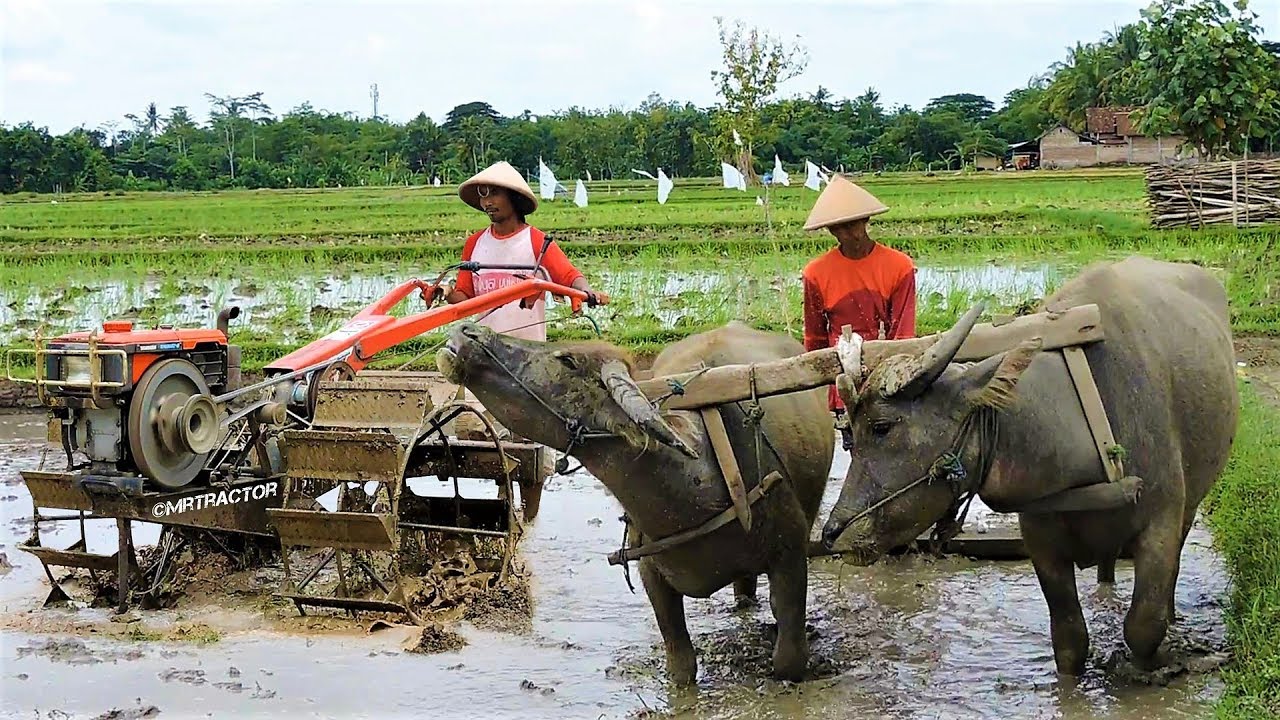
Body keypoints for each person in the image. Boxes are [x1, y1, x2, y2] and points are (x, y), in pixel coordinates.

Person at [801, 175, 917, 449]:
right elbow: (815, 337)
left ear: (866, 221)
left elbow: (902, 332)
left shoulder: (899, 267)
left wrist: (896, 379)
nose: (849, 234)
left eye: (853, 225)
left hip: (886, 370)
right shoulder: (816, 274)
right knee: (858, 451)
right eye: (839, 228)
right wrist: (821, 387)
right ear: (831, 231)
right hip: (841, 372)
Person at [441, 160, 602, 342]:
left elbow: (569, 277)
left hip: (528, 350)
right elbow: (465, 299)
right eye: (483, 195)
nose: (488, 202)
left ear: (513, 197)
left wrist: (587, 291)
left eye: (494, 193)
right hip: (488, 352)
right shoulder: (474, 244)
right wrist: (447, 293)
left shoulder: (536, 241)